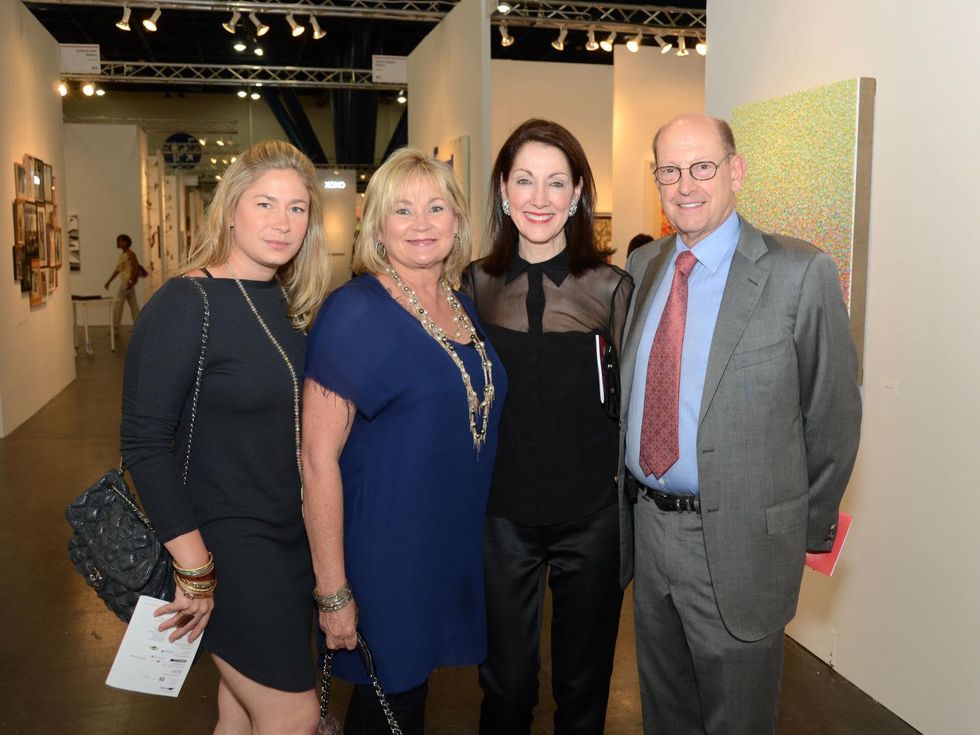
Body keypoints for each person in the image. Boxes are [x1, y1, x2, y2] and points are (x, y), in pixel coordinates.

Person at [619, 113, 862, 734]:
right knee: (665, 714)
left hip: (741, 547)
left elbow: (831, 416)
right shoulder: (644, 266)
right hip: (649, 533)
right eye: (669, 171)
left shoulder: (798, 273)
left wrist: (798, 533)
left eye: (702, 166)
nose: (686, 185)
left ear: (736, 172)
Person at [120, 140, 332, 734]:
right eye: (265, 203)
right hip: (227, 548)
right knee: (292, 716)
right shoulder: (187, 303)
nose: (281, 222)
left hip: (287, 540)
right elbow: (144, 443)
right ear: (231, 208)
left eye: (297, 208)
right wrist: (194, 568)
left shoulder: (284, 304)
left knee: (239, 713)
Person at [301, 147, 506, 734]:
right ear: (376, 226)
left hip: (446, 549)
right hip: (382, 554)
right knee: (390, 708)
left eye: (436, 207)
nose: (421, 224)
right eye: (403, 210)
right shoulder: (354, 313)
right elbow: (316, 460)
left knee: (408, 702)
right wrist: (334, 591)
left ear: (459, 221)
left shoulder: (462, 307)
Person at [463, 118, 634, 735]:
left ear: (579, 193)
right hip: (501, 519)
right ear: (504, 192)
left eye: (556, 182)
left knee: (583, 693)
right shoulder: (474, 286)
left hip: (591, 519)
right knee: (504, 690)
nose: (540, 198)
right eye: (525, 181)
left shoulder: (612, 288)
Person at [104, 233, 141, 331]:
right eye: (119, 241)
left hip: (126, 283)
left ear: (126, 242)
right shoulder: (123, 255)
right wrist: (109, 281)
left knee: (119, 304)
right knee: (133, 305)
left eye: (121, 241)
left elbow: (136, 267)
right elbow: (118, 270)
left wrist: (130, 280)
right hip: (127, 283)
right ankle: (138, 325)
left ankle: (115, 327)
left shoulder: (130, 254)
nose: (119, 243)